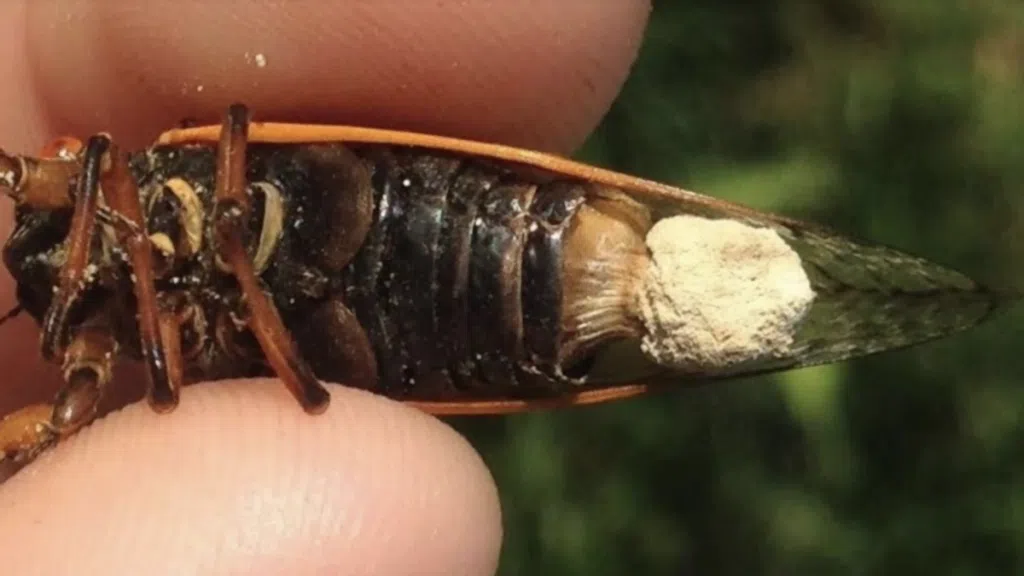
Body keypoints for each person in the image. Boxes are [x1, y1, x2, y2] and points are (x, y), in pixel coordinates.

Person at [0, 1, 650, 573]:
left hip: (433, 212)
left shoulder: (122, 182)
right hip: (413, 343)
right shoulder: (144, 332)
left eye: (59, 164)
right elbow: (94, 413)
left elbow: (124, 162)